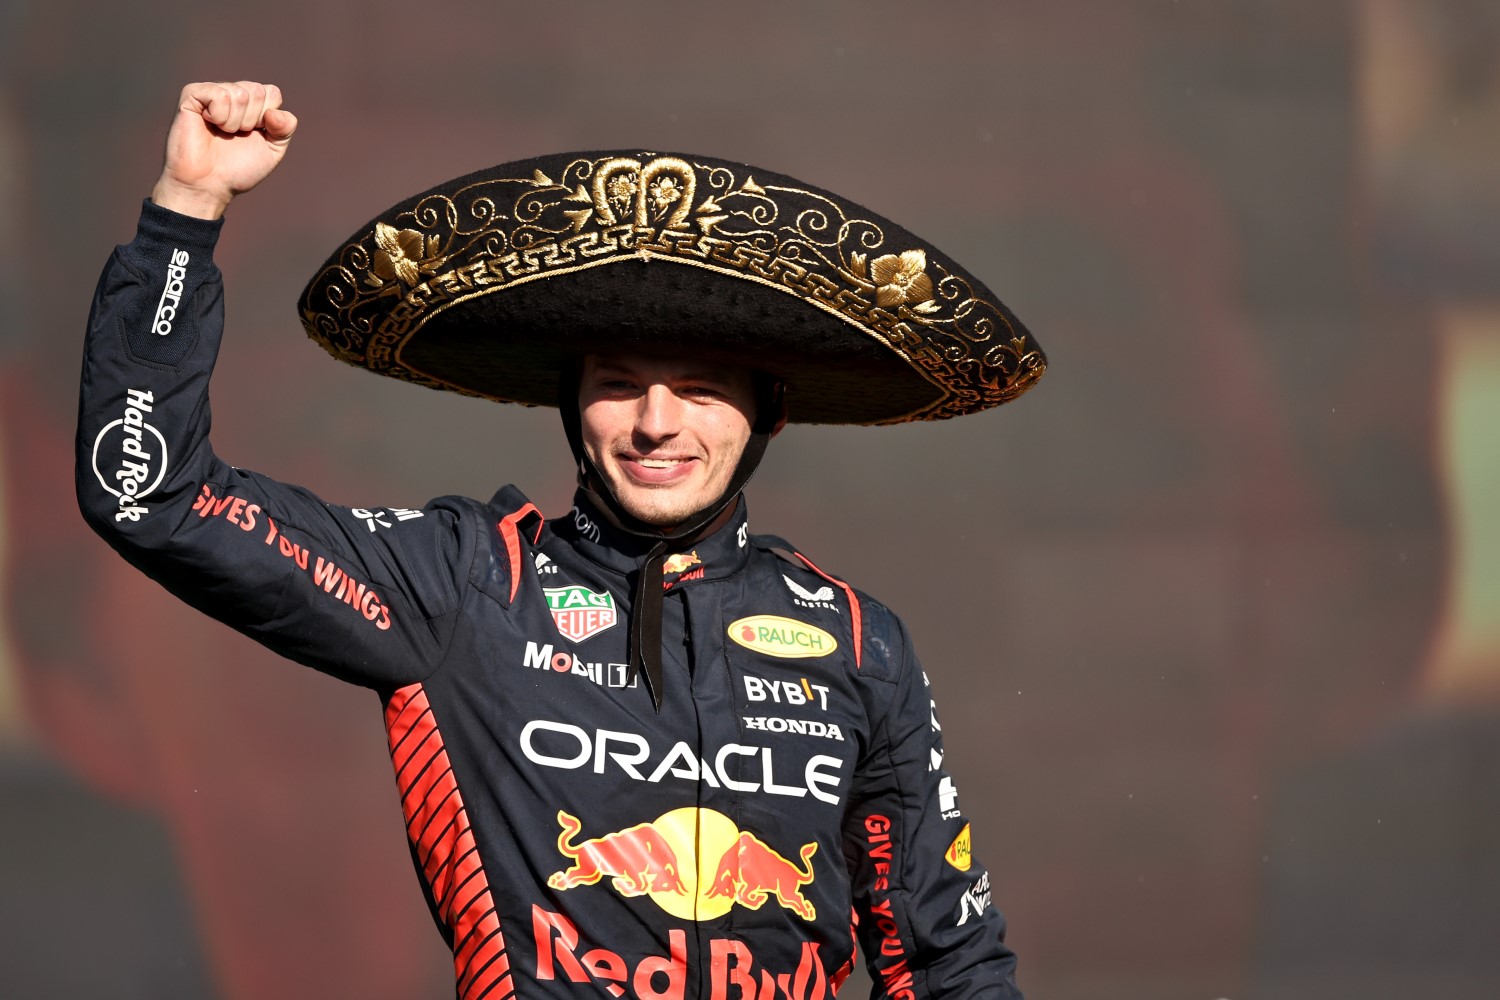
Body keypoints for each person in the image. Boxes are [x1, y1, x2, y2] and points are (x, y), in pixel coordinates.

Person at [77, 81, 1045, 1000]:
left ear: (771, 412)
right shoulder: (464, 583)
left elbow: (947, 963)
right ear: (570, 402)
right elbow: (149, 493)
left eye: (702, 388)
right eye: (619, 380)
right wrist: (185, 211)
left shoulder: (858, 642)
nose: (656, 422)